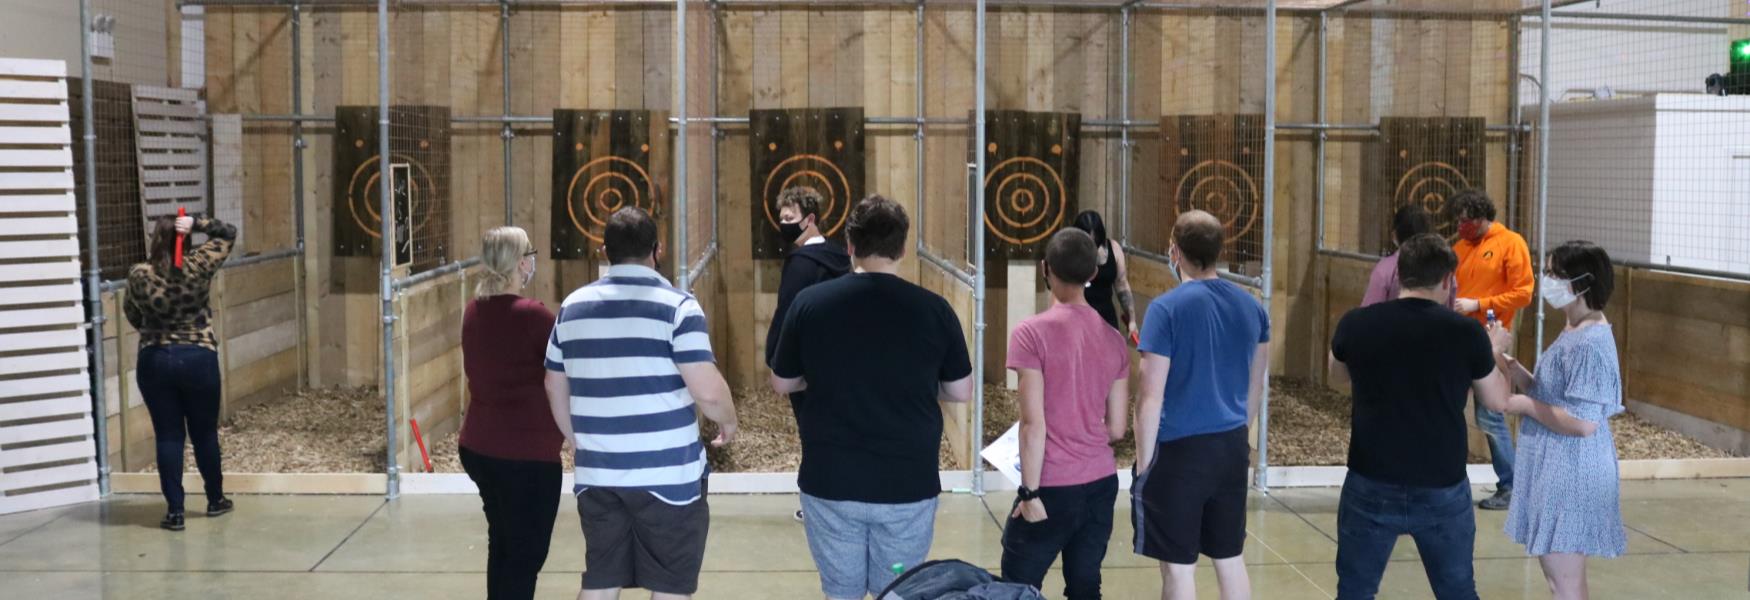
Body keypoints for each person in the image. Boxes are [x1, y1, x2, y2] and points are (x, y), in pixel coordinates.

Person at [1327, 233, 1594, 600]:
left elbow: (1337, 375)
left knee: (1355, 591)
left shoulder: (1355, 323)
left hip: (1370, 479)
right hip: (1441, 484)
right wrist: (1495, 350)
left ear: (1400, 274)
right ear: (1447, 281)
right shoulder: (1466, 333)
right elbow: (1498, 400)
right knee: (1456, 590)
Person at [769, 195, 974, 600]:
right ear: (902, 248)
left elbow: (782, 381)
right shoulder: (935, 309)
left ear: (849, 246)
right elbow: (960, 390)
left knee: (841, 592)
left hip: (831, 480)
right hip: (906, 484)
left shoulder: (810, 304)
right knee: (897, 590)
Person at [543, 207, 738, 600]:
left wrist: (576, 440)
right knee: (669, 587)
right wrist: (728, 421)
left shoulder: (573, 307)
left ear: (604, 251)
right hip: (669, 477)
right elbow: (709, 392)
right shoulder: (678, 307)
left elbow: (553, 385)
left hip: (599, 475)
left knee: (599, 581)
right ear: (658, 249)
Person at [1131, 210, 1270, 600]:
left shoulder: (1166, 308)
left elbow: (1149, 395)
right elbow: (1255, 386)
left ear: (1174, 251)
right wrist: (1239, 437)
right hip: (1229, 445)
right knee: (1229, 557)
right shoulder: (1252, 307)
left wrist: (1145, 465)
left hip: (1179, 452)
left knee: (1178, 567)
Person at [1490, 241, 1627, 600]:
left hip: (1573, 471)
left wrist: (1525, 405)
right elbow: (1557, 396)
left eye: (1554, 273)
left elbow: (1583, 423)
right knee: (1564, 580)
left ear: (1582, 283)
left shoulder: (1591, 342)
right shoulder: (1574, 329)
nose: (1545, 279)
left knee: (1562, 582)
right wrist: (1520, 374)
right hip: (1556, 463)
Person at [1000, 228, 1131, 600]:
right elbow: (1117, 428)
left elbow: (1032, 423)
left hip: (1050, 485)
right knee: (1086, 585)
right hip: (1100, 483)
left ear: (1046, 269)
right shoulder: (1114, 339)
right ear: (1093, 273)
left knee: (1018, 586)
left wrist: (1029, 492)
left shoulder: (1030, 334)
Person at [459, 226, 563, 600]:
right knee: (525, 554)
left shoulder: (473, 311)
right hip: (525, 455)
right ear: (521, 263)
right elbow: (562, 373)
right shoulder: (533, 316)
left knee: (502, 544)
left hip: (480, 446)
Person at [124, 213, 237, 532]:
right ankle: (215, 499)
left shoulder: (138, 274)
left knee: (169, 435)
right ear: (183, 238)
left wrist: (154, 331)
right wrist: (199, 223)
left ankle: (175, 511)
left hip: (155, 358)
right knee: (204, 433)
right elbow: (228, 232)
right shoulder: (199, 264)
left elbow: (133, 313)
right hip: (198, 356)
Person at [764, 186, 852, 523]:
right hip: (841, 362)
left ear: (810, 218)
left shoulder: (801, 264)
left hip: (806, 367)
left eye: (790, 218)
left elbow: (788, 314)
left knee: (813, 435)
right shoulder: (839, 256)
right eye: (782, 218)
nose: (784, 224)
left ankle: (819, 506)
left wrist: (776, 359)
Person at [1447, 190, 1535, 510]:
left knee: (1490, 415)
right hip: (1458, 336)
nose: (1461, 226)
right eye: (1457, 220)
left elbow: (1523, 293)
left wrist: (1479, 304)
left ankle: (1512, 486)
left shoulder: (1510, 244)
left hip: (1489, 338)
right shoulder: (1459, 249)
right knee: (1451, 407)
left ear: (1483, 217)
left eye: (1466, 220)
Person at [1361, 205, 1455, 308]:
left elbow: (1370, 310)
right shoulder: (1444, 270)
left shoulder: (1385, 270)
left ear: (1395, 235)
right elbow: (1450, 308)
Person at [1069, 210, 1138, 336]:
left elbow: (1121, 285)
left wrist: (1132, 320)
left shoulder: (1114, 248)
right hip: (1077, 319)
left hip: (1106, 318)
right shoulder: (1068, 252)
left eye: (1094, 242)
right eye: (1086, 242)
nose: (1091, 247)